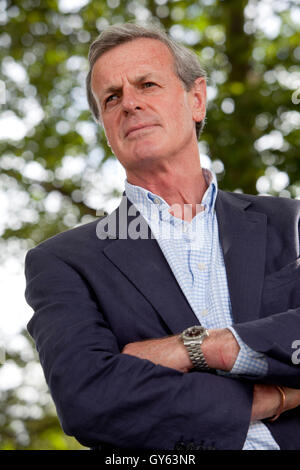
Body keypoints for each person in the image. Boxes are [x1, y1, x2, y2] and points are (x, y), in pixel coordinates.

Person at [25, 23, 300, 451]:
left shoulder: (292, 220)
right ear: (106, 128)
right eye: (111, 98)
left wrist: (212, 347)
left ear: (196, 99)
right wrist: (272, 397)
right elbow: (88, 402)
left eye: (147, 84)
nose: (129, 103)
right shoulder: (62, 263)